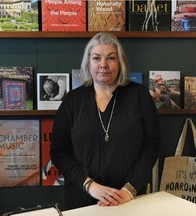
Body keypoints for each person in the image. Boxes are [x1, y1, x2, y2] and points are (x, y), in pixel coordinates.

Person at [50, 32, 161, 210]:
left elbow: (152, 146)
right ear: (88, 63)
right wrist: (90, 186)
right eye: (96, 58)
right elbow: (59, 152)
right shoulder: (72, 100)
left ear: (120, 62)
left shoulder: (139, 95)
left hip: (130, 200)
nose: (103, 65)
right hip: (82, 200)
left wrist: (128, 190)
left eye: (111, 58)